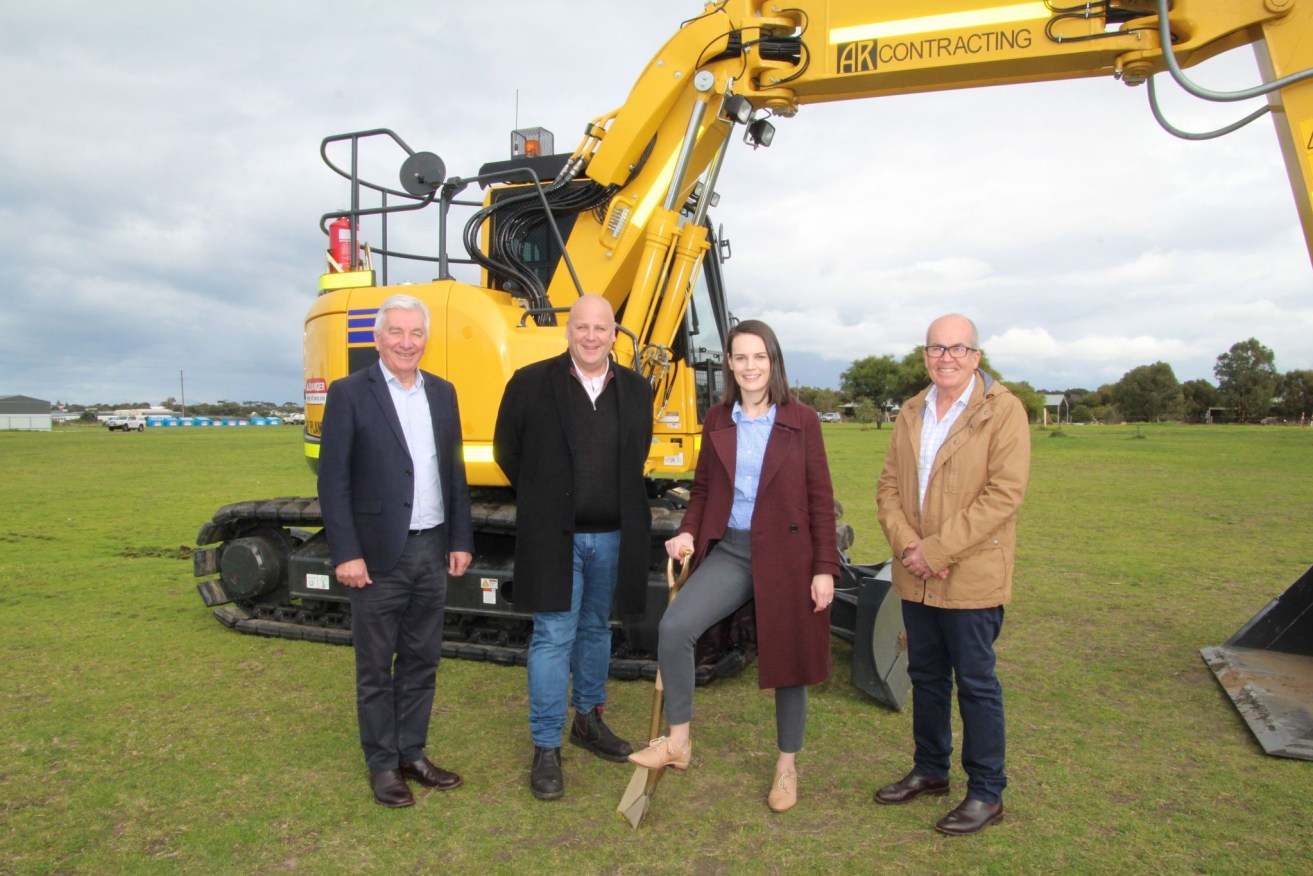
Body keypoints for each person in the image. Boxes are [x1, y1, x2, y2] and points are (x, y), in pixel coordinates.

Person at [627, 319, 837, 814]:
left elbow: (820, 498)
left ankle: (786, 767)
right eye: (739, 357)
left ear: (773, 361)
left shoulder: (801, 419)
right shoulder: (719, 418)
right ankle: (678, 740)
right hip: (734, 550)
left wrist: (824, 566)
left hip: (788, 555)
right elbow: (702, 491)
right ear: (729, 364)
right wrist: (687, 531)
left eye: (758, 357)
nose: (749, 366)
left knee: (789, 664)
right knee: (675, 627)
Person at [873, 313, 1030, 835]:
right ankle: (931, 770)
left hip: (970, 575)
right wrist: (907, 546)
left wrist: (936, 550)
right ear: (925, 356)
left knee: (977, 685)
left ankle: (987, 793)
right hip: (916, 573)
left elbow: (1003, 496)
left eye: (957, 349)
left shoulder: (1003, 412)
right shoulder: (912, 410)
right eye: (936, 348)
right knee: (926, 676)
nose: (946, 357)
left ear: (975, 356)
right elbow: (890, 487)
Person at [492, 294, 654, 801]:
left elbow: (638, 455)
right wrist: (546, 497)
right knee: (553, 635)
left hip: (613, 537)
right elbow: (506, 450)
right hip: (553, 535)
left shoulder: (635, 388)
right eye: (581, 327)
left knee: (595, 630)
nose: (590, 336)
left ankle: (588, 719)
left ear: (614, 333)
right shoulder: (530, 382)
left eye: (600, 328)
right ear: (568, 330)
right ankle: (546, 745)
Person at [318, 294, 474, 809]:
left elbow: (454, 472)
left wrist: (459, 539)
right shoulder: (348, 393)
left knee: (422, 661)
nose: (407, 342)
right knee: (374, 667)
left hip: (432, 549)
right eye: (396, 333)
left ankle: (413, 753)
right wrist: (346, 552)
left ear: (426, 339)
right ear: (377, 338)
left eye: (416, 334)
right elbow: (333, 480)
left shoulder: (444, 393)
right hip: (376, 556)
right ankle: (382, 764)